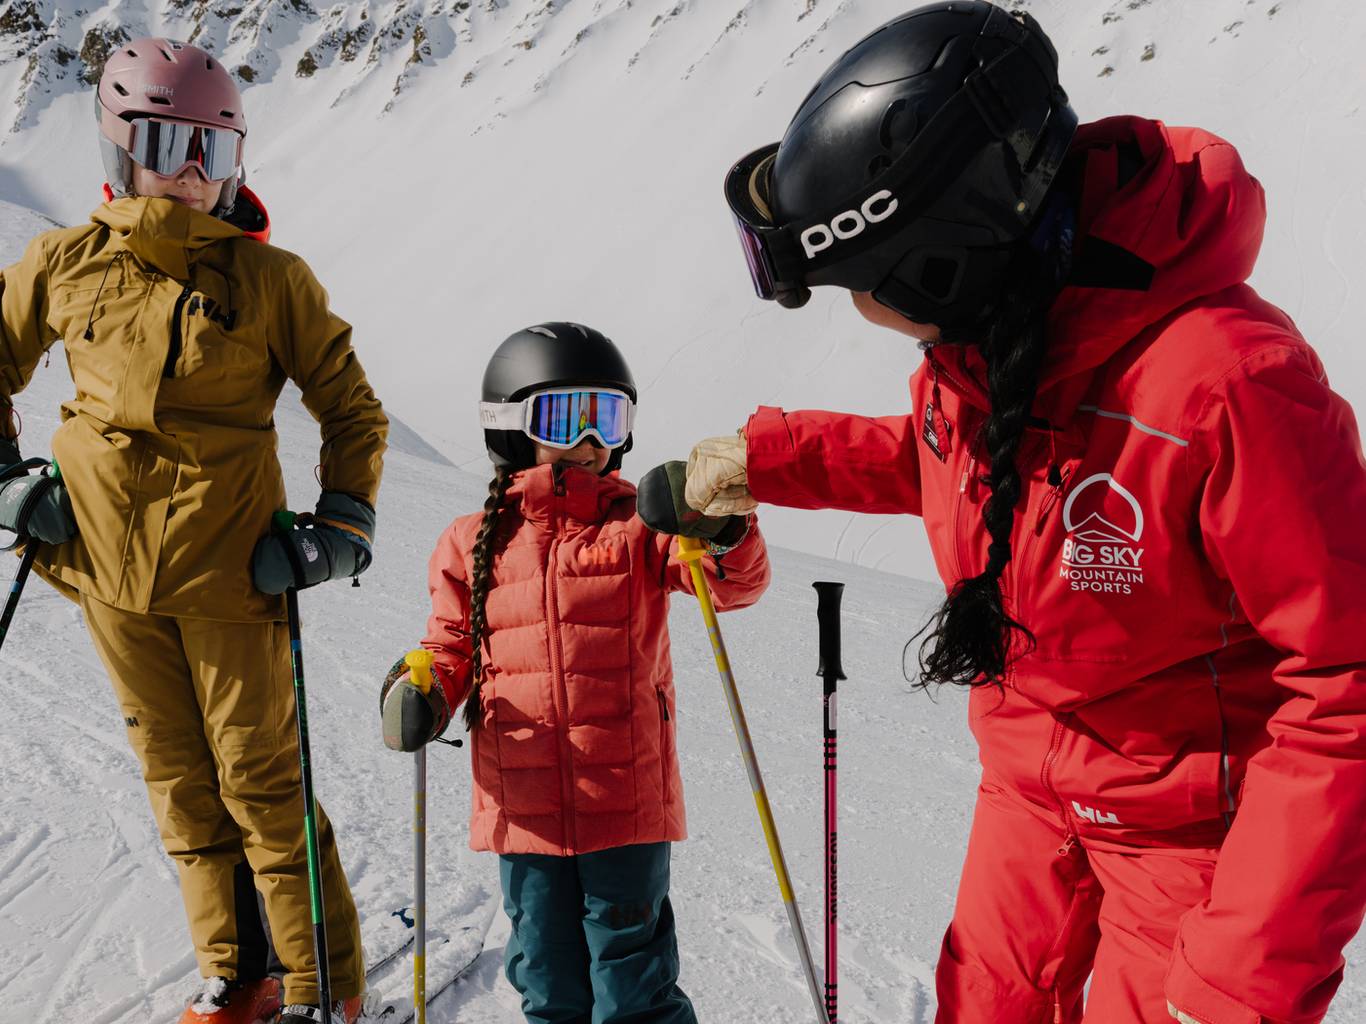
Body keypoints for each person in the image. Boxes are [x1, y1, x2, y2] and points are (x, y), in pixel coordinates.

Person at [678, 3, 1366, 1022]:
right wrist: (767, 458)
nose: (859, 314)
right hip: (1028, 790)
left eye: (858, 284)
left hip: (1184, 837)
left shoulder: (1227, 387)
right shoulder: (989, 337)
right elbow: (946, 459)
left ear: (945, 256)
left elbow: (1345, 686)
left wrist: (1239, 978)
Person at [0, 37, 387, 1024]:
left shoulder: (270, 282)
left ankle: (322, 987)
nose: (191, 174)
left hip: (230, 578)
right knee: (177, 780)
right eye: (171, 144)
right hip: (101, 572)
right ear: (121, 147)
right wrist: (9, 484)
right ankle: (237, 971)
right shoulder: (64, 261)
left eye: (214, 154)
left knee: (261, 784)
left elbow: (350, 410)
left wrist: (338, 524)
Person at [379, 323, 769, 1024]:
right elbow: (449, 645)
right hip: (522, 809)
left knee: (633, 988)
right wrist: (425, 693)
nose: (591, 437)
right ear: (509, 428)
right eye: (565, 416)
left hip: (623, 800)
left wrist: (724, 528)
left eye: (607, 416)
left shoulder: (639, 528)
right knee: (548, 985)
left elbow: (730, 585)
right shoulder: (473, 541)